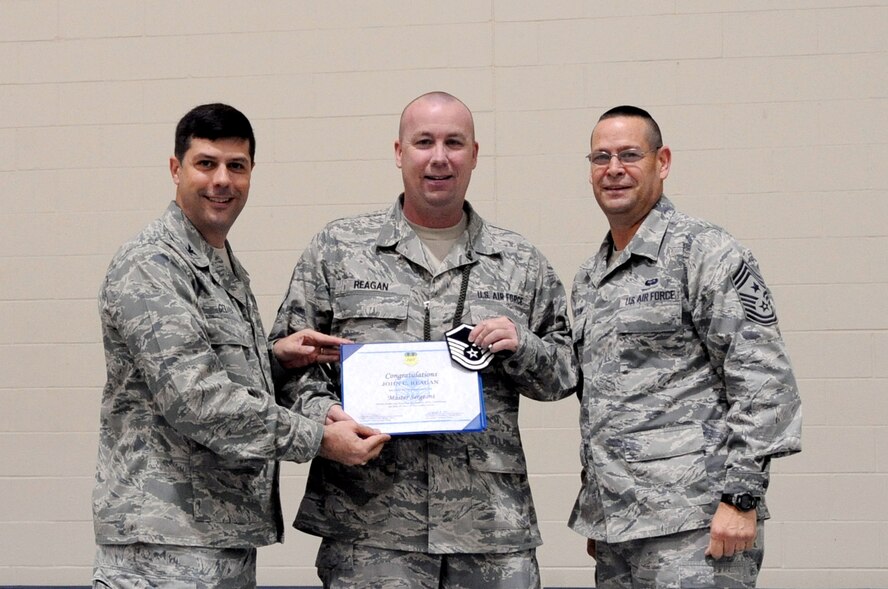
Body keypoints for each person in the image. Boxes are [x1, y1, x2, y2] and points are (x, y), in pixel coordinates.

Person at [270, 91, 578, 588]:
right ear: (399, 152)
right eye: (424, 142)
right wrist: (321, 416)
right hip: (369, 527)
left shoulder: (521, 262)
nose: (439, 157)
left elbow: (564, 375)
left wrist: (524, 345)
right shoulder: (337, 251)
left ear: (475, 155)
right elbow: (290, 358)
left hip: (490, 527)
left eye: (454, 142)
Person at [92, 103, 389, 588]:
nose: (222, 180)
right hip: (161, 548)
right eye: (205, 163)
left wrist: (273, 361)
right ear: (175, 169)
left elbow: (209, 371)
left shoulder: (222, 266)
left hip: (217, 539)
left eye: (237, 166)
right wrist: (318, 438)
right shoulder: (151, 265)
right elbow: (197, 400)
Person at [569, 105, 802, 588]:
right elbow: (603, 402)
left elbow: (763, 381)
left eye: (630, 155)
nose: (614, 169)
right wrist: (601, 507)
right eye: (601, 157)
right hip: (617, 531)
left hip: (694, 525)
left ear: (663, 161)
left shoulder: (705, 252)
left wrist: (741, 500)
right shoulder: (591, 277)